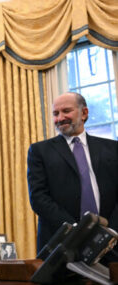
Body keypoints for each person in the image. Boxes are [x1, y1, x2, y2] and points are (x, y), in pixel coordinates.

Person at [27, 92, 118, 255]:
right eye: (55, 114)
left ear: (84, 113)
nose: (60, 118)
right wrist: (77, 231)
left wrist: (110, 232)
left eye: (66, 111)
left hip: (109, 245)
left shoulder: (112, 149)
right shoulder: (39, 151)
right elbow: (38, 198)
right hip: (61, 244)